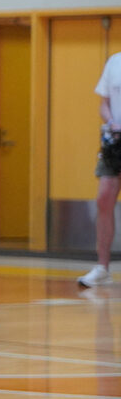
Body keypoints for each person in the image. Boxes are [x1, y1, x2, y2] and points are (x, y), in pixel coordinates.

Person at [78, 51, 121, 287]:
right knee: (104, 198)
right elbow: (103, 103)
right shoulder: (114, 62)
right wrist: (111, 122)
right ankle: (102, 267)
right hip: (115, 142)